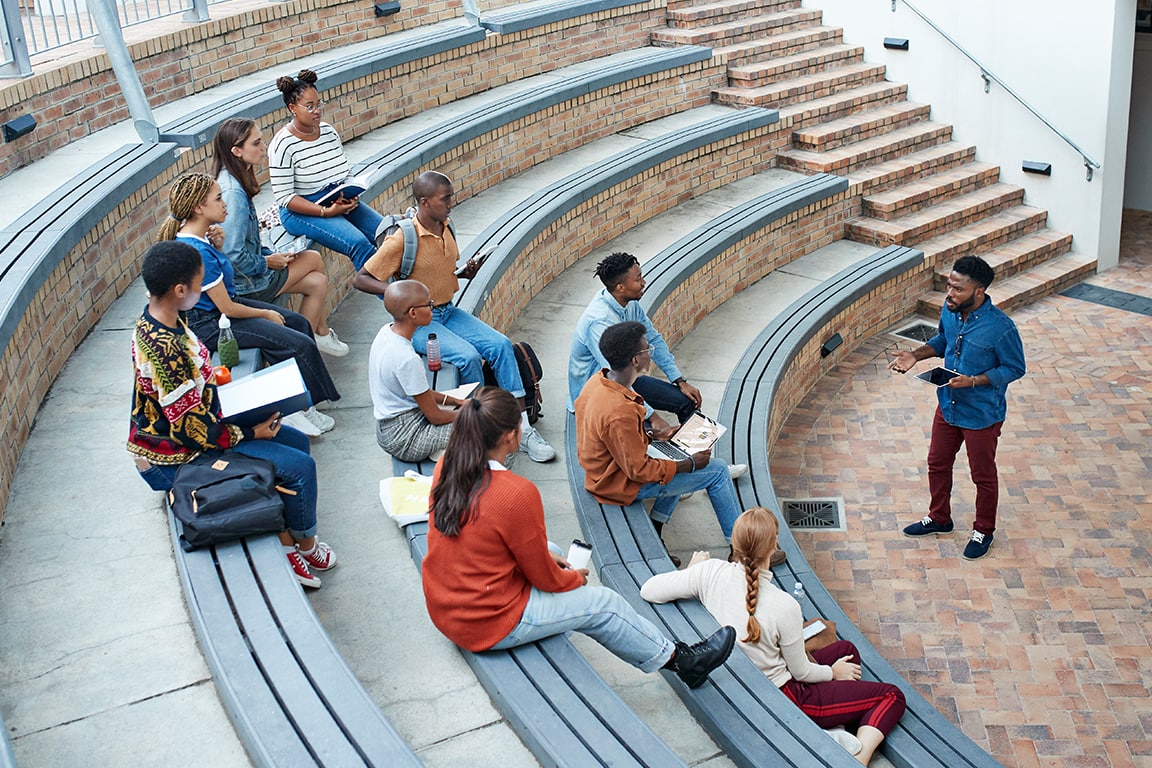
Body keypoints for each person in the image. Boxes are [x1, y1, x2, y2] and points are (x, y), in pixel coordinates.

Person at [421, 386, 736, 689]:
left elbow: (486, 535)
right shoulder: (516, 493)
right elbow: (546, 580)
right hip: (486, 623)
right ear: (508, 436)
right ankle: (682, 661)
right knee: (604, 604)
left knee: (551, 549)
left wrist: (551, 563)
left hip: (447, 605)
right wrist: (573, 580)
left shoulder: (450, 464)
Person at [127, 241, 338, 588]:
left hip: (202, 424)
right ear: (179, 290)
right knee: (300, 468)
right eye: (199, 284)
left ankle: (291, 534)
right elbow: (193, 431)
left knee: (297, 442)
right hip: (177, 455)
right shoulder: (166, 351)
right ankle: (300, 546)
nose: (202, 291)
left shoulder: (160, 317)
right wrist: (253, 433)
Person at [641, 508, 906, 765]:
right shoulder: (784, 605)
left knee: (845, 650)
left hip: (742, 678)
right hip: (785, 697)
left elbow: (649, 590)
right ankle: (858, 758)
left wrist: (690, 572)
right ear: (773, 547)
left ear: (735, 542)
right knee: (892, 696)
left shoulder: (709, 571)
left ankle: (832, 731)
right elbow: (801, 672)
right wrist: (832, 673)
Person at [355, 170, 557, 463]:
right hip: (422, 319)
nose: (451, 203)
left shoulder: (446, 225)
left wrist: (466, 273)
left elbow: (441, 270)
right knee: (468, 357)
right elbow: (361, 278)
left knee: (501, 345)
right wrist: (400, 293)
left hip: (448, 309)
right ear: (424, 201)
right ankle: (482, 427)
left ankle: (522, 428)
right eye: (445, 199)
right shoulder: (403, 238)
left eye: (451, 197)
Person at [158, 172, 341, 437]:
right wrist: (265, 313)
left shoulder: (202, 240)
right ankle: (296, 408)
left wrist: (218, 246)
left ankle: (303, 400)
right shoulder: (196, 252)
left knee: (299, 323)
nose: (225, 204)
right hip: (211, 325)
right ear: (199, 208)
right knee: (296, 343)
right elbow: (227, 308)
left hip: (222, 311)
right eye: (218, 199)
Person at [574, 321, 749, 565]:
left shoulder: (598, 382)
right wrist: (689, 464)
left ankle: (656, 526)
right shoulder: (619, 411)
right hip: (616, 484)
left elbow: (615, 440)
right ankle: (743, 550)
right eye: (648, 349)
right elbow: (639, 470)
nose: (650, 354)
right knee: (717, 471)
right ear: (636, 360)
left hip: (607, 471)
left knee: (675, 455)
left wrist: (655, 435)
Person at [888, 255, 1026, 560]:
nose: (950, 293)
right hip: (948, 406)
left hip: (982, 414)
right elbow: (943, 340)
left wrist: (974, 381)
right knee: (937, 462)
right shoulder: (949, 310)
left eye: (958, 289)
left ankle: (983, 531)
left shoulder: (1001, 328)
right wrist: (915, 355)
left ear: (978, 292)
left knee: (982, 475)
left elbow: (1015, 368)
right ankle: (939, 518)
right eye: (949, 286)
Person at [568, 251, 747, 481]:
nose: (644, 282)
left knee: (686, 401)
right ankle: (686, 472)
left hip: (627, 377)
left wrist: (679, 380)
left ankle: (705, 465)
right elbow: (614, 380)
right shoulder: (600, 321)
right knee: (646, 429)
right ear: (621, 287)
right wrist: (652, 416)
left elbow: (653, 338)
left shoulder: (628, 304)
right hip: (599, 393)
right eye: (638, 279)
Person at [211, 116, 348, 357]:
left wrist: (270, 255)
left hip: (248, 276)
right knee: (313, 259)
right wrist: (267, 262)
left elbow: (246, 244)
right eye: (256, 143)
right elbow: (232, 255)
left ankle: (310, 339)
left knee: (317, 282)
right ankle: (310, 340)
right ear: (236, 151)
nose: (263, 148)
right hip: (245, 285)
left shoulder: (233, 179)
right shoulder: (233, 193)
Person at [269, 69, 385, 271]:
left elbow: (344, 172)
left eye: (319, 104)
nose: (317, 110)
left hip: (335, 198)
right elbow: (285, 197)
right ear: (292, 108)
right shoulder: (283, 144)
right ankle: (385, 290)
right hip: (301, 211)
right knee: (359, 244)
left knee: (390, 233)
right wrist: (324, 212)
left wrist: (350, 194)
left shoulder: (328, 132)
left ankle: (406, 285)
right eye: (309, 106)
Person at [370, 280, 469, 462]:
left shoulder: (385, 333)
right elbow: (436, 417)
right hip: (406, 437)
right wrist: (471, 414)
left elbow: (420, 391)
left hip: (389, 427)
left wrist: (456, 400)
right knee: (487, 427)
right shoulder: (407, 358)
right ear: (413, 313)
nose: (432, 307)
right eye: (429, 304)